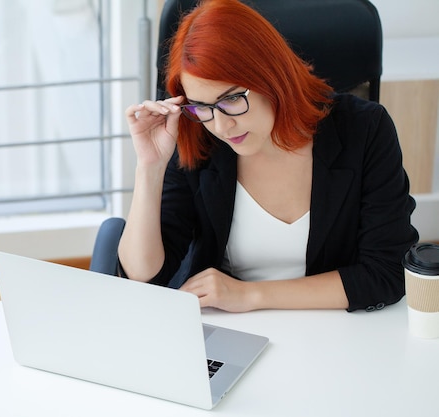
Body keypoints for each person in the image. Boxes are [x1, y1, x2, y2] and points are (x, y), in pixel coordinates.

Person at [117, 0, 418, 313]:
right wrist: (149, 167)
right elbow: (144, 276)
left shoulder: (364, 129)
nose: (220, 125)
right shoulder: (198, 138)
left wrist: (249, 295)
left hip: (335, 327)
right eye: (201, 107)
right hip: (232, 331)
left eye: (231, 99)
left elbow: (387, 272)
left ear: (271, 76)